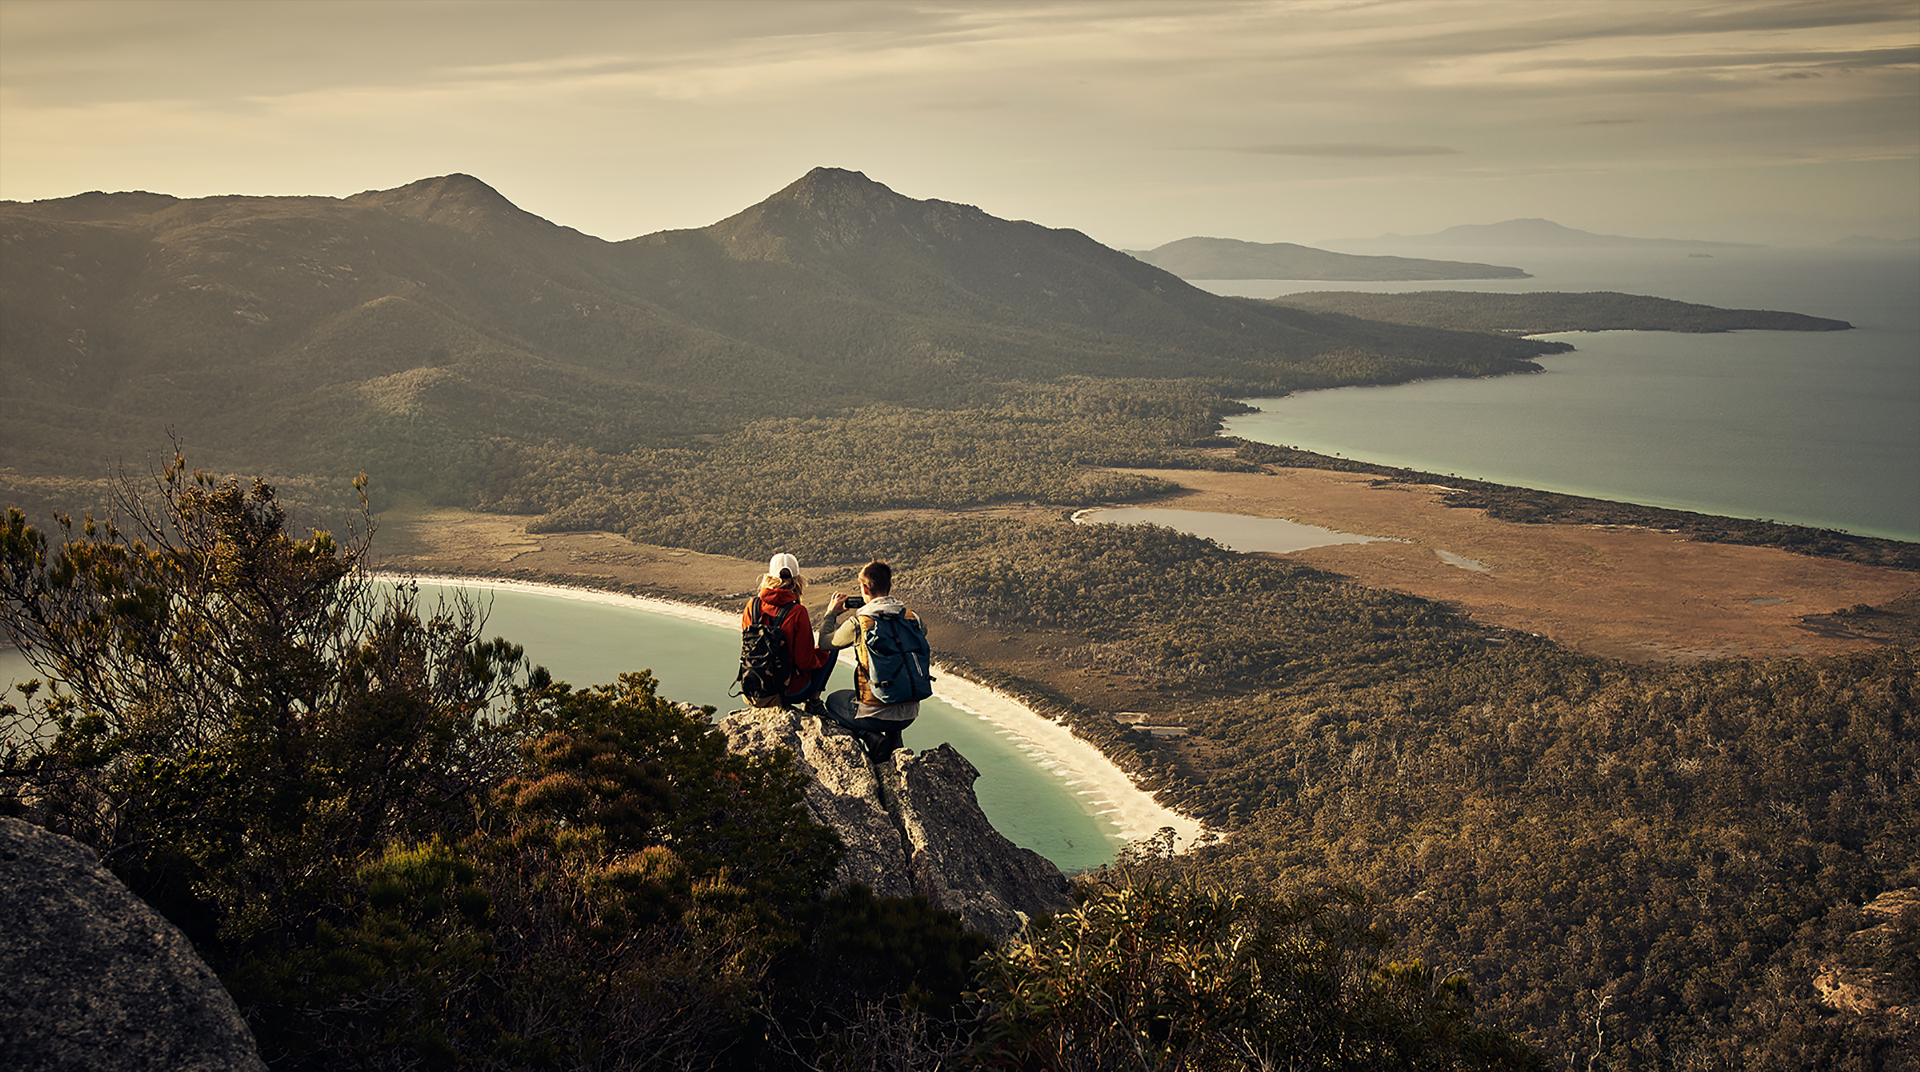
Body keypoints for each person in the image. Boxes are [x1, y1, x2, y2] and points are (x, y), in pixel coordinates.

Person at [819, 560, 924, 761]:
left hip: (874, 716)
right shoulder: (913, 619)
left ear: (864, 588)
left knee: (833, 701)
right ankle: (894, 740)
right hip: (909, 714)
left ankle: (872, 738)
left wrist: (831, 613)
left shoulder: (860, 623)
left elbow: (825, 643)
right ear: (890, 586)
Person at [740, 552, 837, 713]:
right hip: (788, 692)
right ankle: (813, 701)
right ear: (797, 580)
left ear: (768, 577)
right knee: (832, 645)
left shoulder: (752, 605)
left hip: (752, 690)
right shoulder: (797, 612)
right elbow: (805, 662)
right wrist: (822, 653)